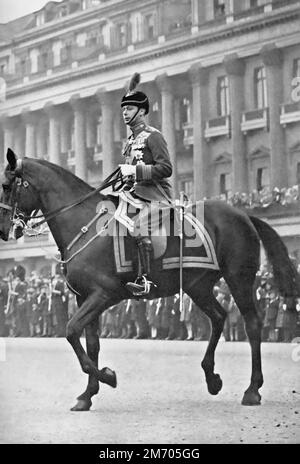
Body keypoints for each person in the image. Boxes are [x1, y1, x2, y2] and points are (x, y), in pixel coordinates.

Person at [118, 72, 173, 296]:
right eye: (123, 109)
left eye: (129, 109)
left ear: (141, 111)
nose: (124, 113)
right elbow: (130, 175)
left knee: (139, 227)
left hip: (156, 196)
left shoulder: (153, 136)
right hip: (135, 196)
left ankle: (146, 280)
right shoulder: (129, 141)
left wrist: (136, 170)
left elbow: (166, 169)